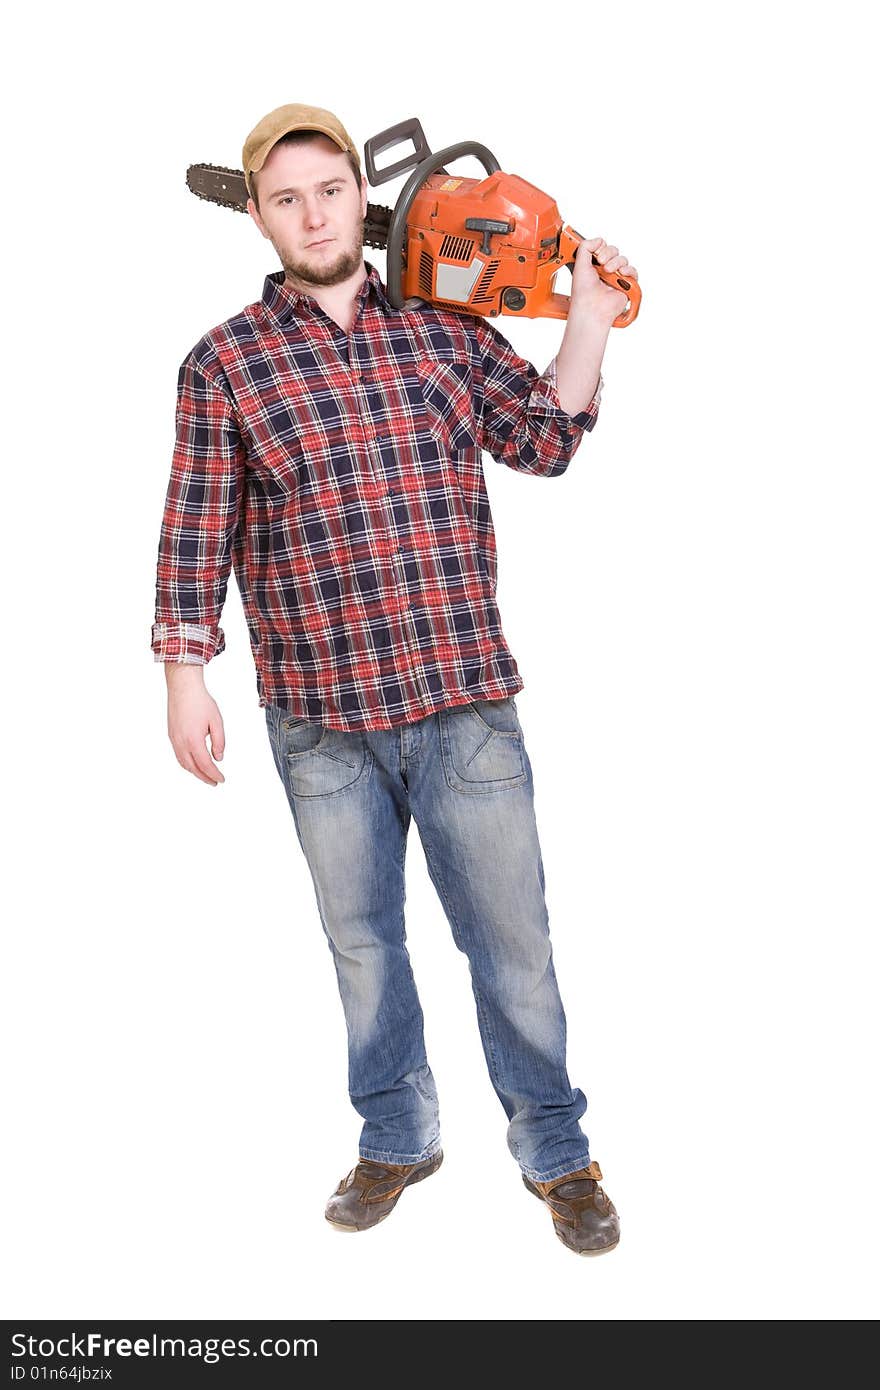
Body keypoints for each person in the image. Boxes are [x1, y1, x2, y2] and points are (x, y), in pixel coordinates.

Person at [151, 102, 637, 1256]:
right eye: (285, 197)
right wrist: (183, 675)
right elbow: (193, 528)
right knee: (362, 940)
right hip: (319, 717)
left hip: (462, 697)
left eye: (329, 191)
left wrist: (592, 319)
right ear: (259, 215)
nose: (311, 214)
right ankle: (396, 1132)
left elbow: (545, 438)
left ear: (361, 200)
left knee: (512, 940)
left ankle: (555, 1149)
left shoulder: (443, 329)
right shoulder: (223, 362)